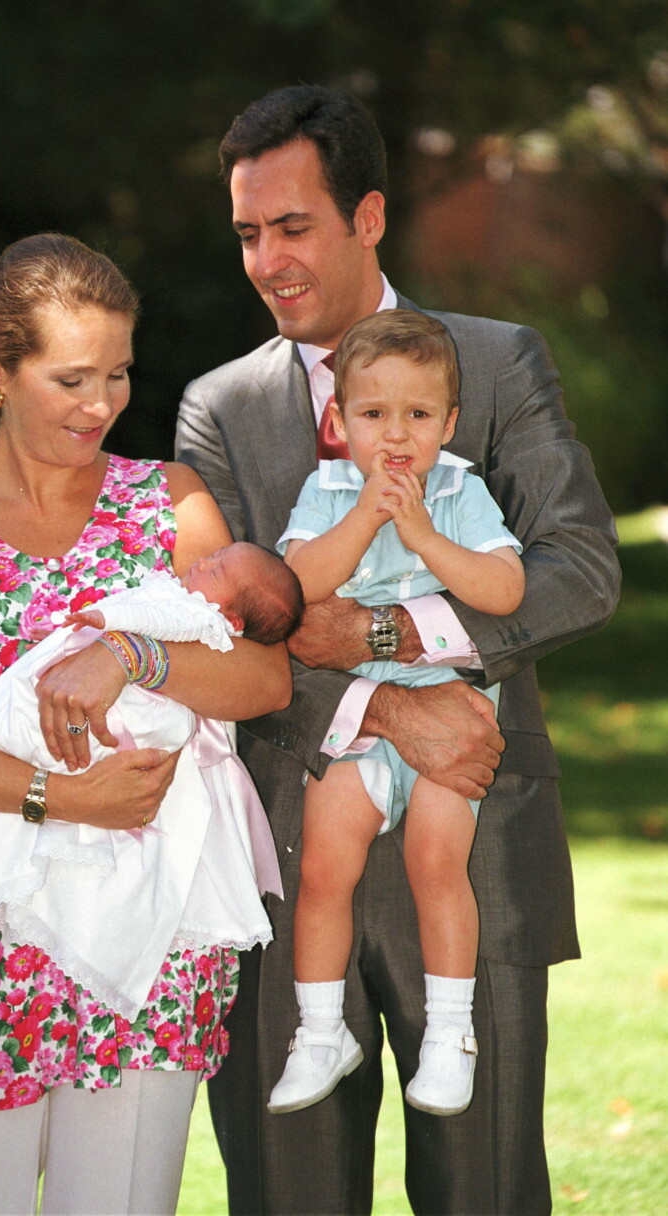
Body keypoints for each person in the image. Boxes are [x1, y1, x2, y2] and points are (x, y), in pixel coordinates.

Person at [174, 85, 620, 1215]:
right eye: (246, 234)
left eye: (293, 226)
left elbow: (578, 569)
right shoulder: (218, 409)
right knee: (288, 1196)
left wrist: (385, 633)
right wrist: (383, 709)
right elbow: (212, 636)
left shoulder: (497, 362)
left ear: (368, 215)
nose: (267, 259)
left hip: (479, 853)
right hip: (282, 869)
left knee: (486, 1195)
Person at [0, 232, 292, 1216]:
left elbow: (263, 676)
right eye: (69, 378)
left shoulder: (167, 501)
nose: (99, 405)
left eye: (117, 375)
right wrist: (64, 795)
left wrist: (132, 656)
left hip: (150, 947)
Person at [268, 309, 524, 1119]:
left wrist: (420, 531)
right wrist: (368, 516)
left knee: (435, 860)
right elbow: (299, 585)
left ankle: (450, 1035)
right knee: (323, 864)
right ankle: (320, 1032)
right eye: (375, 415)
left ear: (448, 423)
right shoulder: (329, 490)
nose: (398, 436)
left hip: (448, 720)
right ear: (339, 423)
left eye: (419, 416)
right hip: (364, 722)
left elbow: (504, 590)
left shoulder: (460, 489)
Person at [0, 545, 302, 1022]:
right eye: (215, 555)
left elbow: (151, 622)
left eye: (218, 568)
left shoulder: (196, 615)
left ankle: (40, 760)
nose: (204, 561)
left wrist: (107, 629)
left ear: (231, 615)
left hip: (142, 710)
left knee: (55, 725)